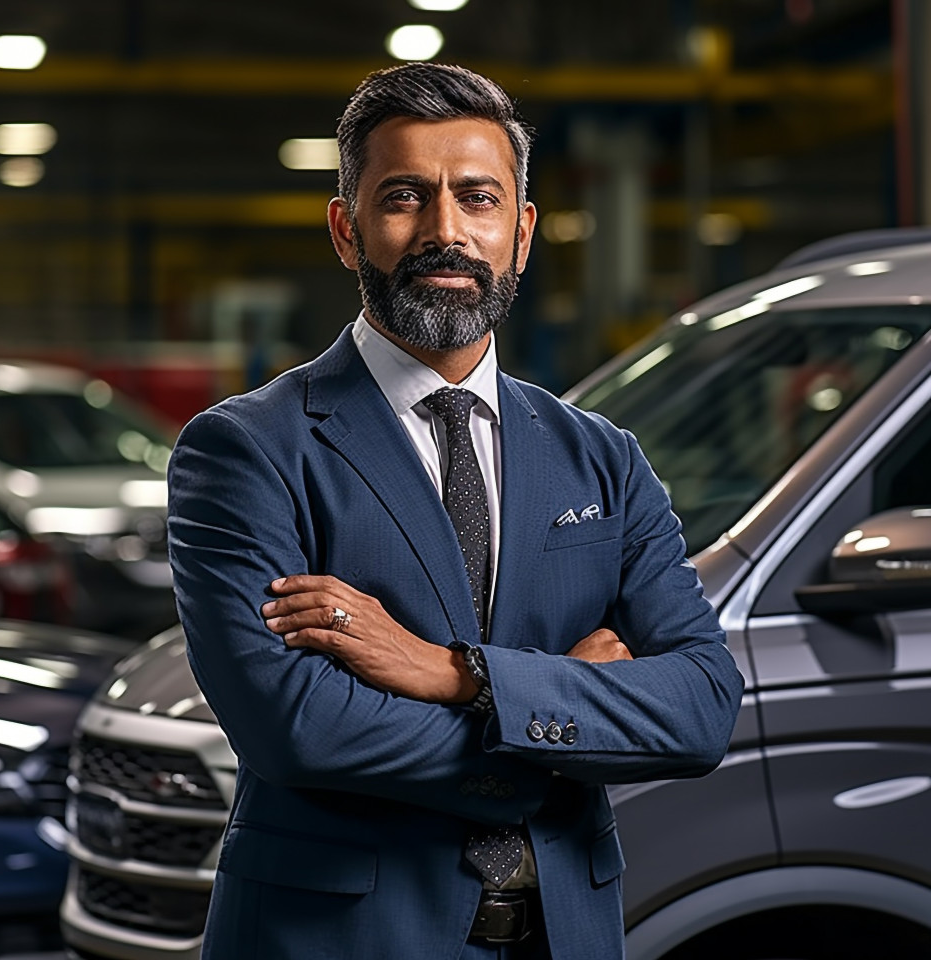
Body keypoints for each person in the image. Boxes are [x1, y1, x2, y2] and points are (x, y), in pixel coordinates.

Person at [168, 62, 743, 960]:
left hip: (565, 937)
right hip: (338, 940)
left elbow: (703, 707)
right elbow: (298, 729)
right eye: (404, 196)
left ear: (521, 234)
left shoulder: (604, 458)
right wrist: (566, 720)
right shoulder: (247, 449)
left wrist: (456, 675)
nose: (447, 230)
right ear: (345, 230)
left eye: (478, 199)